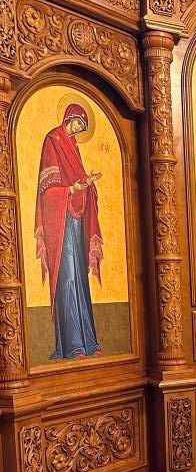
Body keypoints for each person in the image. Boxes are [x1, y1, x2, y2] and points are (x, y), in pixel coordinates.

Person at [34, 103, 103, 360]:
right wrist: (71, 190)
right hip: (60, 223)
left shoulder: (73, 146)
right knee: (68, 277)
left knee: (80, 278)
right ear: (69, 118)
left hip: (75, 219)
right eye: (78, 124)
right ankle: (72, 345)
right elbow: (47, 190)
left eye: (83, 128)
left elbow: (77, 179)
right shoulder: (53, 140)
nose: (78, 131)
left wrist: (87, 183)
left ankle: (87, 342)